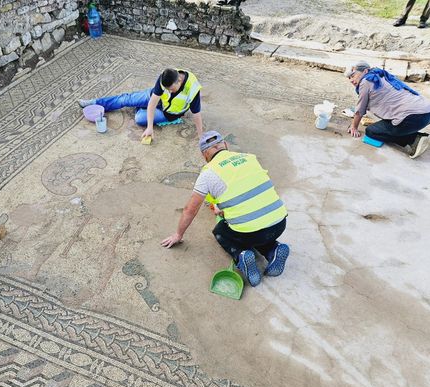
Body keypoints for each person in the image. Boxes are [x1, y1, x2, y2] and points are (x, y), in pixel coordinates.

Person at [161, 131, 290, 287]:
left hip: (250, 233)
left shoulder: (208, 173)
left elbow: (190, 210)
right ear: (225, 146)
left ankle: (242, 255)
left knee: (221, 231)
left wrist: (178, 234)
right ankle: (274, 250)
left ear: (204, 155)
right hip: (280, 223)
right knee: (257, 229)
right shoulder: (250, 158)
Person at [79, 68, 203, 141]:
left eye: (171, 89)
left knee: (139, 119)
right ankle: (95, 102)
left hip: (169, 114)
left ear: (179, 81)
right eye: (167, 89)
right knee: (126, 100)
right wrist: (150, 127)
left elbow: (196, 114)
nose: (169, 91)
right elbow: (153, 102)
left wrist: (201, 136)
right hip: (156, 98)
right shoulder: (164, 78)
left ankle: (139, 105)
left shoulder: (192, 87)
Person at [345, 61, 430, 159]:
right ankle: (422, 137)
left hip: (415, 117)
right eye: (349, 78)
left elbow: (360, 110)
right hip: (429, 112)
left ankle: (414, 140)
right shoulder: (381, 75)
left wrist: (354, 127)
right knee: (389, 123)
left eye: (353, 75)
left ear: (366, 71)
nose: (351, 80)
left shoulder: (366, 81)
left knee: (372, 131)